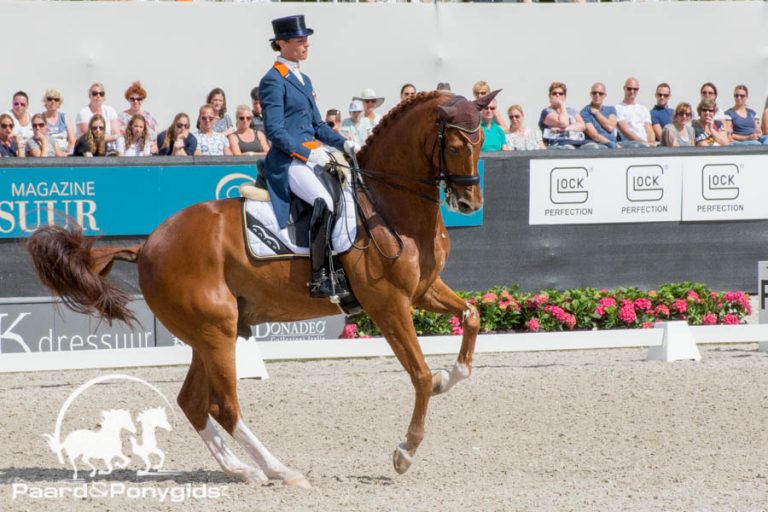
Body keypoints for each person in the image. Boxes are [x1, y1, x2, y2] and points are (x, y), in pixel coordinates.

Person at [260, 14, 355, 299]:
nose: (306, 45)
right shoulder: (272, 80)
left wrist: (345, 143)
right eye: (300, 41)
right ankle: (321, 275)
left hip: (314, 152)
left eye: (306, 40)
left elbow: (317, 125)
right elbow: (275, 131)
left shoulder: (303, 77)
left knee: (349, 196)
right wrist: (308, 156)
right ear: (282, 43)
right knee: (324, 201)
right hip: (288, 160)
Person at [539, 82, 586, 149]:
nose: (557, 95)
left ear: (564, 96)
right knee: (568, 148)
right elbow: (563, 123)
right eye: (554, 93)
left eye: (561, 94)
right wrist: (561, 104)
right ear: (550, 96)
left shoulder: (571, 110)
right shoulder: (546, 112)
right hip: (558, 143)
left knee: (594, 147)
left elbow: (582, 126)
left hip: (577, 141)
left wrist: (564, 130)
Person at [75, 83, 120, 151]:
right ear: (89, 95)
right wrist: (113, 137)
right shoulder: (83, 113)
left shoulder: (110, 110)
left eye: (101, 94)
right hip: (90, 149)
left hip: (110, 149)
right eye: (95, 93)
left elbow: (117, 133)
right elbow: (90, 137)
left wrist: (115, 136)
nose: (98, 96)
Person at [118, 81, 158, 153]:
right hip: (128, 149)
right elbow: (119, 136)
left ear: (143, 100)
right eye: (132, 99)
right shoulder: (122, 116)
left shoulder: (149, 116)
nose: (135, 101)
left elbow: (154, 137)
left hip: (147, 150)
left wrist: (154, 146)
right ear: (128, 100)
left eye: (139, 99)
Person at [615, 77, 655, 148]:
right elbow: (625, 130)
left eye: (635, 89)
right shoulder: (618, 108)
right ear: (624, 88)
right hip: (630, 144)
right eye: (629, 88)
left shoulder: (643, 109)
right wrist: (643, 143)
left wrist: (651, 142)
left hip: (646, 145)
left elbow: (649, 129)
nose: (632, 91)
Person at [580, 82, 617, 149]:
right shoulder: (585, 112)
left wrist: (597, 114)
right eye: (594, 93)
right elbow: (595, 136)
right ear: (591, 94)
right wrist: (612, 145)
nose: (597, 95)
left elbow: (610, 127)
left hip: (615, 143)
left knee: (637, 145)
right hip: (598, 145)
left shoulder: (611, 109)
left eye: (600, 93)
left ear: (605, 95)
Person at [41, 89, 75, 154]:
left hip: (64, 153)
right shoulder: (41, 118)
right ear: (45, 101)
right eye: (50, 99)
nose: (53, 101)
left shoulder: (65, 118)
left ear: (60, 103)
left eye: (56, 99)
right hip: (49, 153)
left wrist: (67, 153)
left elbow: (72, 141)